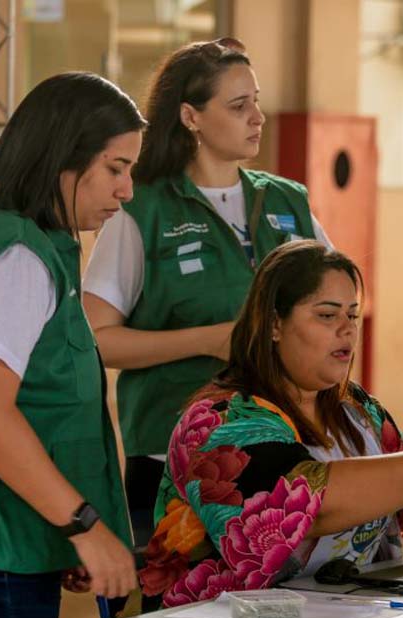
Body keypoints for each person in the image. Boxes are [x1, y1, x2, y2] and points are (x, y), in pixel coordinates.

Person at [138, 241, 403, 603]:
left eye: (352, 315)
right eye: (327, 315)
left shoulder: (358, 409)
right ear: (274, 324)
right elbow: (311, 508)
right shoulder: (219, 421)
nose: (346, 329)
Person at [82, 38, 331, 544]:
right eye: (238, 106)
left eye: (256, 101)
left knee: (290, 591)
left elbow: (338, 307)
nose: (257, 117)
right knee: (183, 593)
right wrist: (208, 340)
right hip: (173, 458)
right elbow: (96, 339)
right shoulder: (143, 208)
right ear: (190, 116)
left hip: (284, 444)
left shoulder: (287, 201)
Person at [0, 72, 142, 618]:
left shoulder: (32, 246)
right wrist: (83, 526)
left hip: (13, 543)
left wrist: (63, 530)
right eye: (115, 168)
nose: (126, 190)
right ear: (62, 159)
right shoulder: (16, 258)